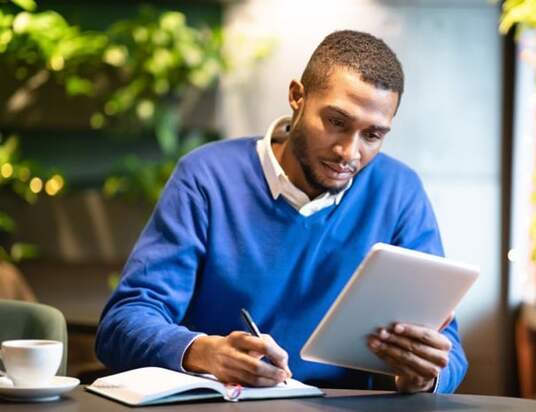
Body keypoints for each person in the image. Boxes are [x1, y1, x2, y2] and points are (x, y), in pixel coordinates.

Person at [96, 30, 468, 394]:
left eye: (372, 135)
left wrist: (424, 376)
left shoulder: (400, 191)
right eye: (336, 122)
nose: (348, 152)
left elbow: (448, 348)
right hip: (229, 404)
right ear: (297, 97)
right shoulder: (207, 177)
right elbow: (122, 323)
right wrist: (206, 353)